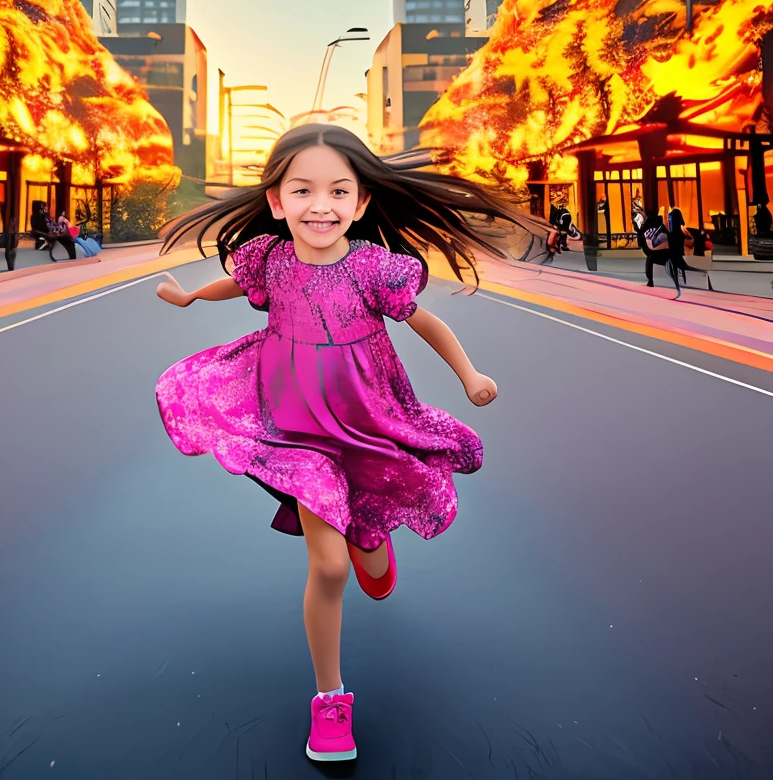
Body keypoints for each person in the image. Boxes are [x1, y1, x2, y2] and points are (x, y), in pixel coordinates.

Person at [154, 124, 544, 764]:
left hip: (368, 422)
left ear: (361, 203)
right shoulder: (270, 261)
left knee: (363, 520)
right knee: (328, 566)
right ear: (277, 201)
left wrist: (470, 375)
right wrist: (192, 296)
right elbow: (237, 287)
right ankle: (330, 699)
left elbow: (427, 321)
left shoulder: (372, 267)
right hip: (296, 431)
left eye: (339, 191)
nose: (321, 206)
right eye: (302, 190)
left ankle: (370, 529)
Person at [639, 209, 669, 287]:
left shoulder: (646, 227)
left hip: (656, 252)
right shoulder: (660, 225)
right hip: (665, 252)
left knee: (651, 257)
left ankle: (651, 280)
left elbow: (643, 244)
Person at [666, 208, 691, 289]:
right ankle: (681, 280)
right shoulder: (680, 234)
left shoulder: (672, 234)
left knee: (675, 265)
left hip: (675, 255)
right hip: (678, 254)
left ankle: (677, 281)